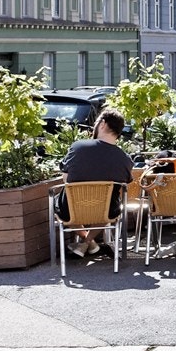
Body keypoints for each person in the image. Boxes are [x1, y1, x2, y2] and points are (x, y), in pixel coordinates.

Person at [59, 107, 135, 257]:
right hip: (105, 211)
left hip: (71, 209)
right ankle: (89, 243)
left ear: (102, 124)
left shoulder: (78, 147)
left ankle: (86, 242)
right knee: (110, 202)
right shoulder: (124, 159)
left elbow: (66, 178)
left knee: (62, 200)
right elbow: (126, 184)